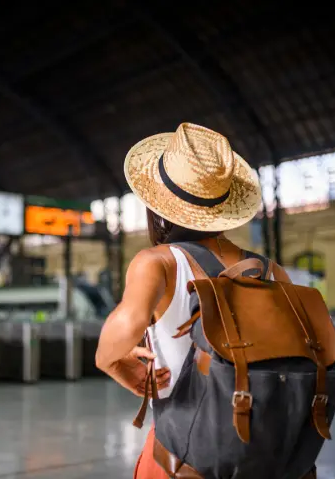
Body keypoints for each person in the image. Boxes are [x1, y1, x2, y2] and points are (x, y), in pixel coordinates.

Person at [95, 123, 319, 478]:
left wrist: (117, 365)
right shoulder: (271, 270)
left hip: (185, 457)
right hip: (270, 455)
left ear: (157, 204)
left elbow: (118, 336)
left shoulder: (159, 262)